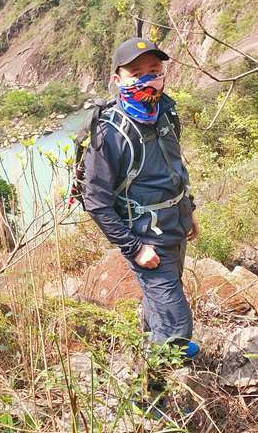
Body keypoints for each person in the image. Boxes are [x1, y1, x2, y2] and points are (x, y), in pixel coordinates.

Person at [81, 36, 200, 371]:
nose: (149, 79)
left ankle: (145, 364)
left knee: (157, 307)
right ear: (118, 80)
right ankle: (159, 397)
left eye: (154, 69)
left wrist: (188, 210)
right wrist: (133, 248)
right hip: (146, 242)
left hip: (175, 229)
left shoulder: (165, 114)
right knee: (176, 327)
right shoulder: (110, 134)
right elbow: (96, 201)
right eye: (137, 73)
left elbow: (175, 169)